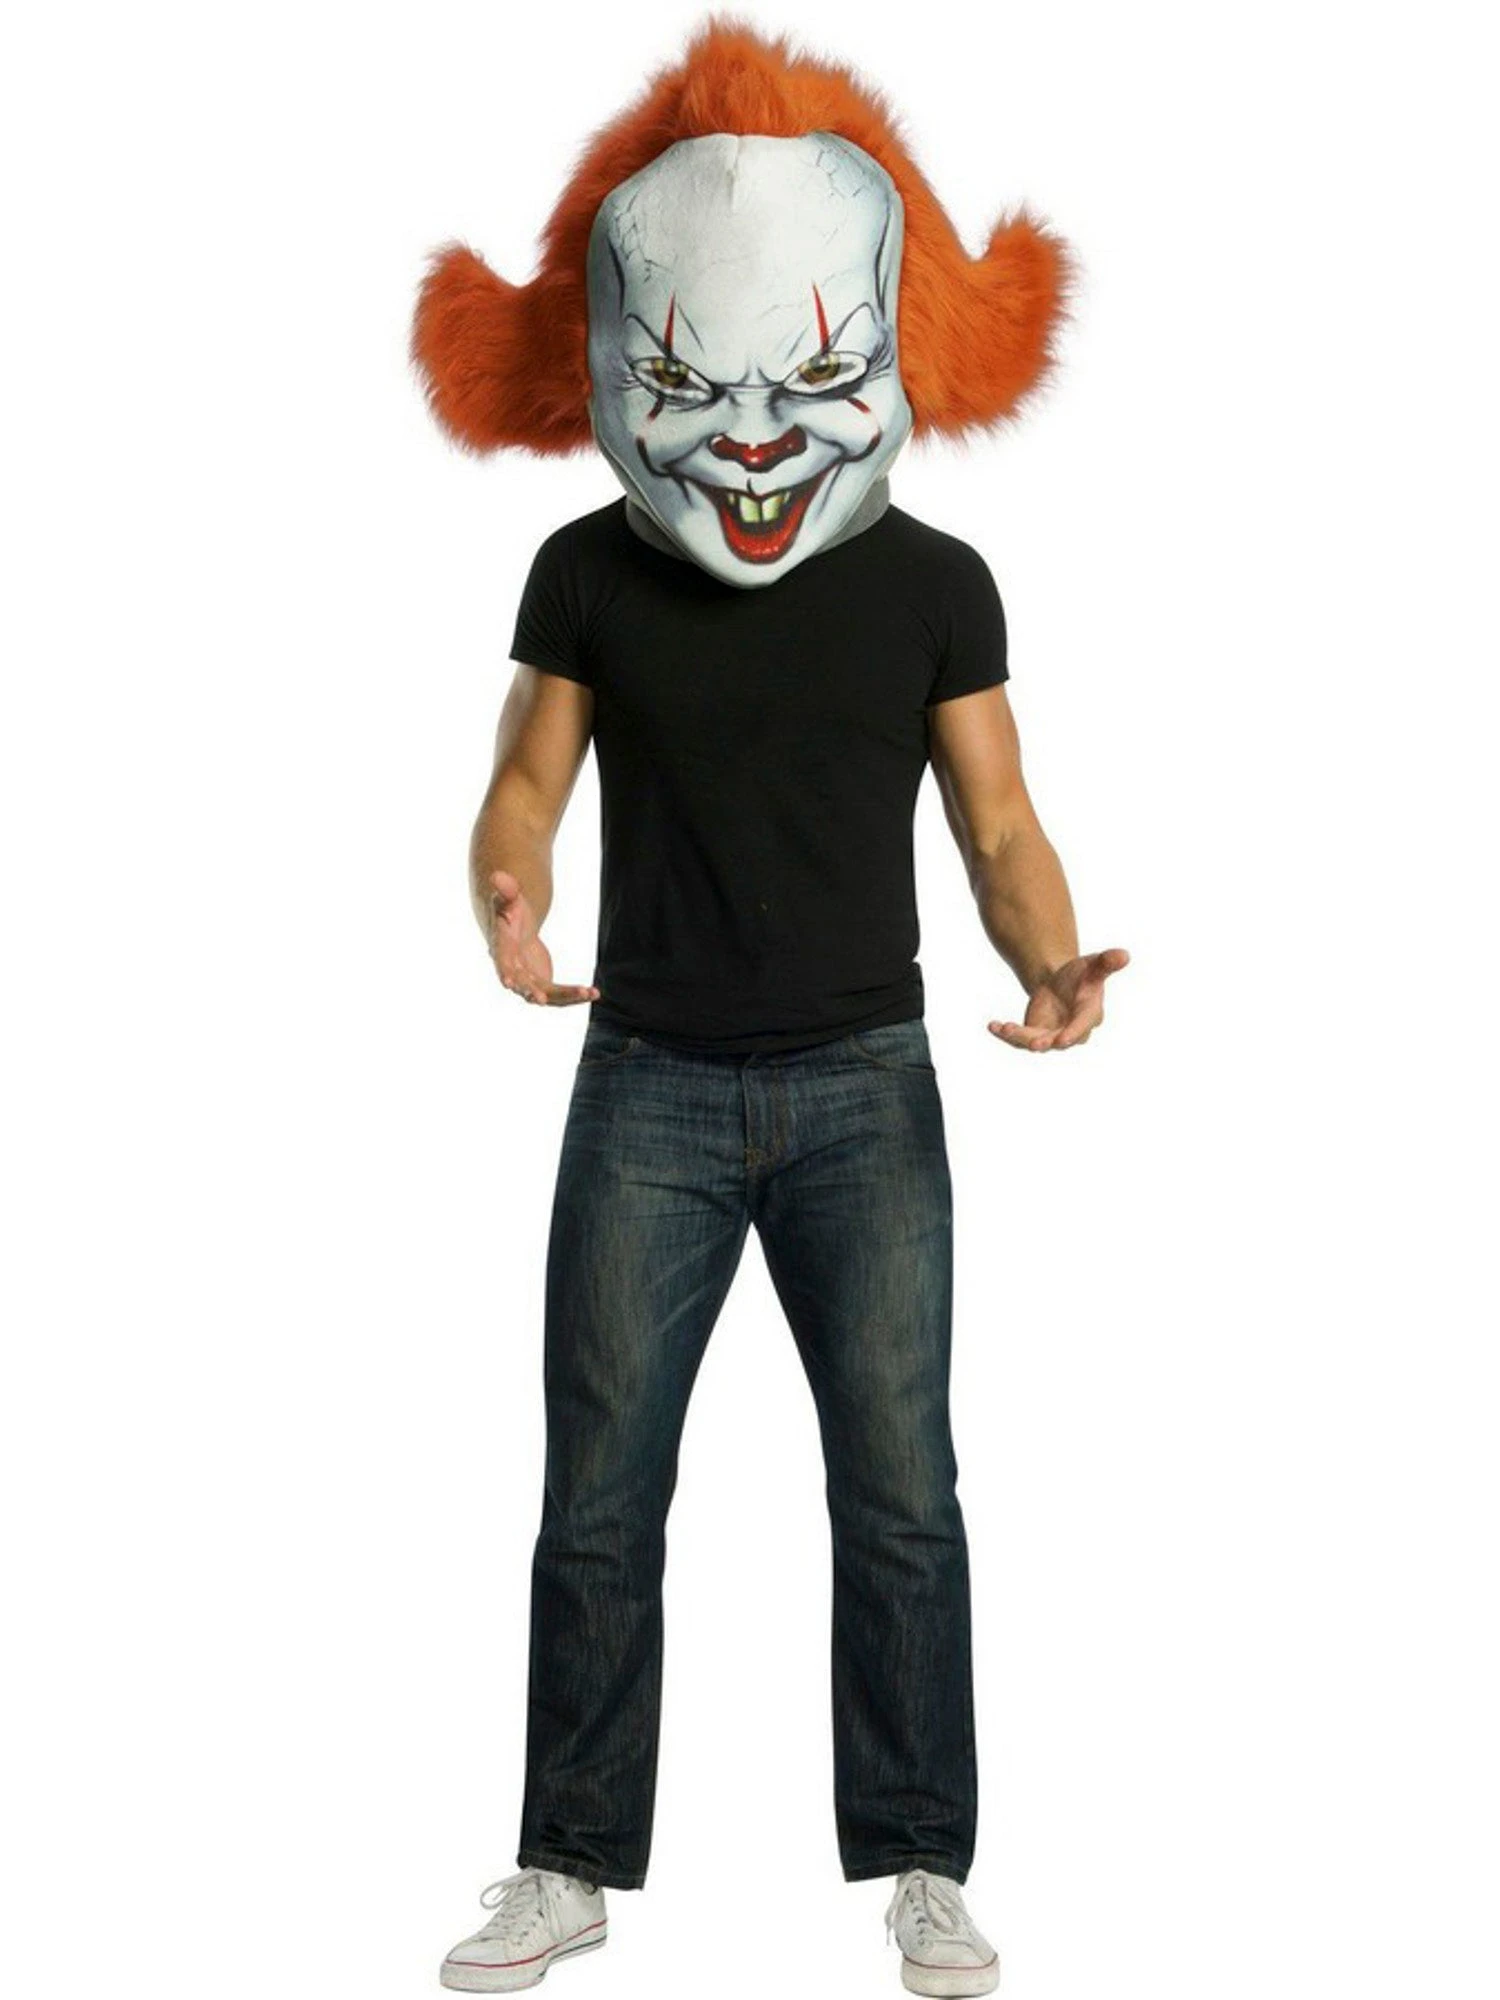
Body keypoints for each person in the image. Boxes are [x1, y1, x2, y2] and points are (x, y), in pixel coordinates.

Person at [412, 20, 1128, 1996]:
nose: (744, 440)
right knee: (598, 1497)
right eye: (689, 383)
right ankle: (567, 1862)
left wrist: (1049, 960)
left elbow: (999, 819)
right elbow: (525, 779)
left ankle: (922, 1865)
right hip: (644, 1076)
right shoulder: (586, 572)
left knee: (903, 1498)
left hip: (864, 1086)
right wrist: (506, 889)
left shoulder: (939, 584)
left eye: (806, 378)